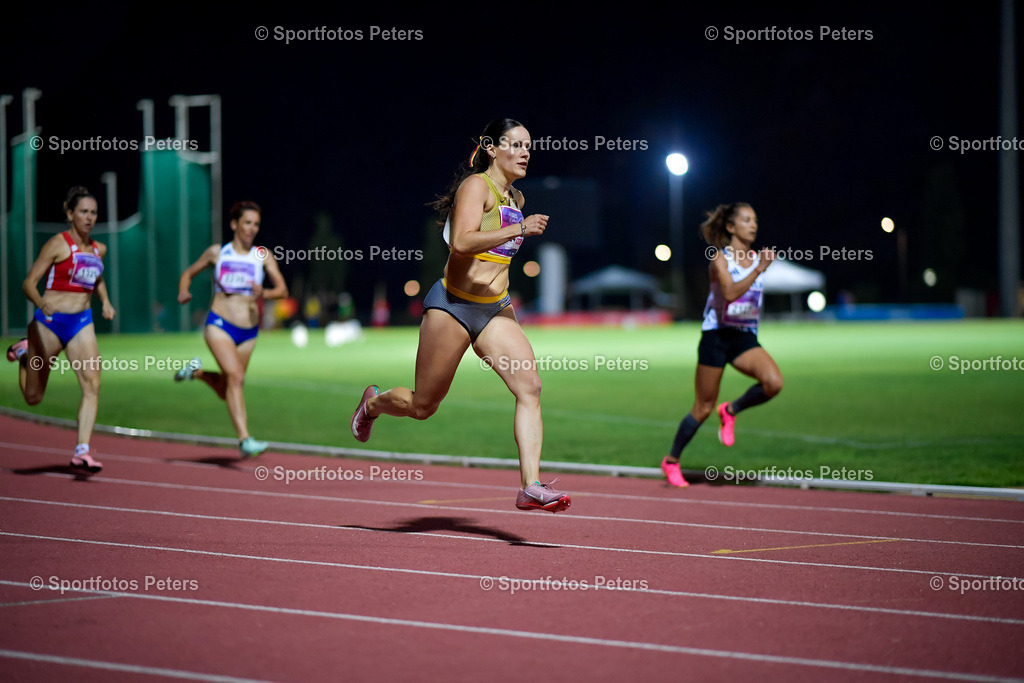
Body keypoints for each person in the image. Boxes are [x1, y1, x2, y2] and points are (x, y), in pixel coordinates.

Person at [350, 118, 571, 513]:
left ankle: (530, 485)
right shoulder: (476, 187)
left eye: (529, 146)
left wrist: (513, 235)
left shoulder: (516, 199)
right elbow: (463, 243)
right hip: (452, 306)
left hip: (495, 310)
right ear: (491, 148)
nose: (525, 153)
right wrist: (517, 229)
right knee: (423, 406)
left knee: (530, 387)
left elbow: (496, 257)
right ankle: (372, 405)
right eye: (516, 145)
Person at [661, 203, 783, 487]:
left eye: (755, 220)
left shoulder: (756, 257)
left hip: (743, 338)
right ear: (731, 227)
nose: (753, 225)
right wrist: (759, 270)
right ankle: (672, 461)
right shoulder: (720, 259)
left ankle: (731, 411)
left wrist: (759, 266)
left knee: (773, 383)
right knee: (703, 408)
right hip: (716, 337)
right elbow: (729, 293)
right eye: (746, 220)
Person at [6, 186, 115, 472]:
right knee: (33, 397)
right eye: (83, 212)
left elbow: (97, 277)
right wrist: (42, 303)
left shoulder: (99, 249)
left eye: (93, 212)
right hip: (50, 325)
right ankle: (24, 355)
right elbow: (29, 283)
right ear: (70, 214)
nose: (89, 218)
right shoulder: (58, 244)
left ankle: (82, 451)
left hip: (82, 323)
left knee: (93, 386)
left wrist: (105, 301)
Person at [174, 201, 288, 458]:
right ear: (234, 224)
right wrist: (183, 291)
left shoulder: (262, 255)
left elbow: (283, 290)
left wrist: (266, 292)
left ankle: (197, 373)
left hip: (249, 332)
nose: (252, 228)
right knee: (236, 379)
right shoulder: (218, 253)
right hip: (220, 325)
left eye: (256, 224)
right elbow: (188, 273)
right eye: (247, 222)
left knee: (228, 388)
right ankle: (245, 440)